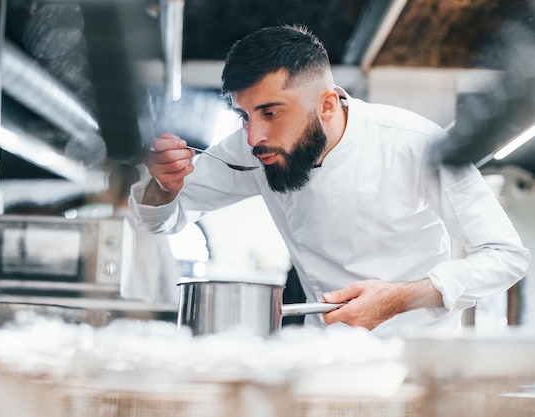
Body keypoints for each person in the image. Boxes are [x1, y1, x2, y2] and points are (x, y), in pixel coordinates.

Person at [128, 24, 530, 336]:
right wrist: (162, 185)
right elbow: (158, 219)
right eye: (243, 116)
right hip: (326, 357)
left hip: (418, 357)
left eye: (270, 113)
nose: (253, 137)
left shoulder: (417, 143)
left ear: (326, 104)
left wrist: (399, 298)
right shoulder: (251, 149)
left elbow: (506, 256)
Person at [107, 162, 180, 305]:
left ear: (110, 190)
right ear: (139, 192)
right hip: (143, 316)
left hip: (102, 319)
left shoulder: (99, 229)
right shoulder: (155, 232)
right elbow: (172, 289)